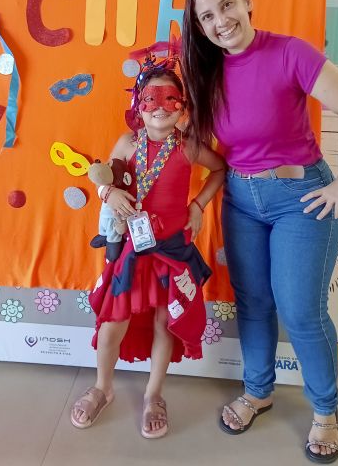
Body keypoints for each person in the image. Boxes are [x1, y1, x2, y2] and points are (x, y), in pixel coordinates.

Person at [181, 0, 338, 463]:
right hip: (241, 201)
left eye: (227, 5)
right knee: (252, 303)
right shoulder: (206, 72)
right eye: (207, 16)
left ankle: (326, 410)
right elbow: (204, 148)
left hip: (302, 199)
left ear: (247, 0)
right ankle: (258, 391)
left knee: (301, 311)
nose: (220, 21)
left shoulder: (290, 52)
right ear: (200, 27)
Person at [70, 55, 225, 438]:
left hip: (172, 250)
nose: (160, 107)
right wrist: (108, 193)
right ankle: (102, 387)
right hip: (133, 252)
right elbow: (103, 177)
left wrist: (198, 205)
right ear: (139, 106)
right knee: (112, 324)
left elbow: (220, 169)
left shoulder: (189, 147)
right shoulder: (128, 142)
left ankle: (154, 394)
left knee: (164, 323)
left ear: (182, 106)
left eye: (170, 99)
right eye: (151, 99)